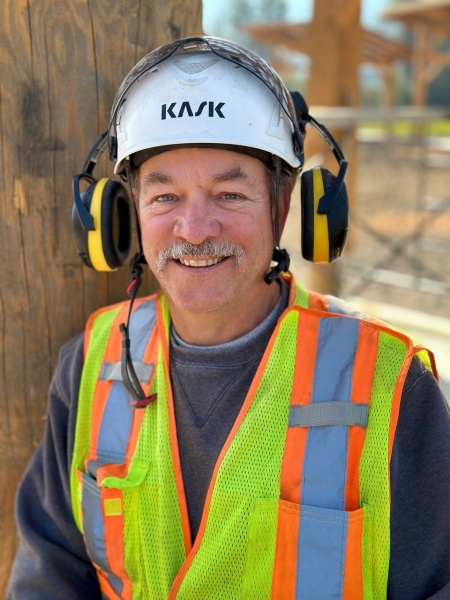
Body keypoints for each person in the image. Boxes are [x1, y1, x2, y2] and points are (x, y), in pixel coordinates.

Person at [7, 36, 450, 600]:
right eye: (165, 197)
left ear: (285, 206)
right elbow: (49, 575)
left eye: (230, 195)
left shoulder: (388, 384)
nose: (195, 230)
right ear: (122, 215)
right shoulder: (89, 364)